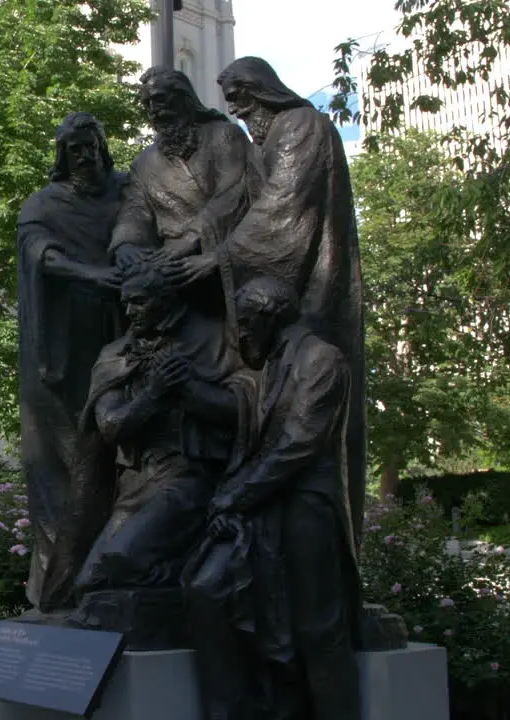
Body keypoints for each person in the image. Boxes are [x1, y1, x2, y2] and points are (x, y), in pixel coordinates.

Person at [164, 56, 367, 547]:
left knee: (304, 414)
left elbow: (283, 208)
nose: (234, 108)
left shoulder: (303, 125)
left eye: (238, 95)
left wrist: (218, 260)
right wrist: (188, 245)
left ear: (262, 90)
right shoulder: (262, 143)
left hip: (310, 293)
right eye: (228, 99)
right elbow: (236, 204)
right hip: (272, 297)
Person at [185, 277, 361, 720]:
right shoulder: (269, 369)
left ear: (269, 316)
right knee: (250, 611)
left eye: (246, 322)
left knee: (317, 629)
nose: (242, 333)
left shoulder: (322, 359)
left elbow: (297, 444)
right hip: (267, 505)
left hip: (306, 509)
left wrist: (236, 497)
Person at [74, 260, 256, 621]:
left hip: (188, 478)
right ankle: (187, 573)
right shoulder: (114, 355)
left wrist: (190, 389)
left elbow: (248, 411)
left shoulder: (216, 339)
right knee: (89, 582)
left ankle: (195, 581)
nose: (129, 311)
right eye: (125, 302)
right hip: (135, 486)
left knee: (122, 560)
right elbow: (110, 427)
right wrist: (154, 394)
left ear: (169, 299)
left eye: (139, 302)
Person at [17, 112, 127, 612]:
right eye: (74, 150)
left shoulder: (127, 194)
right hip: (62, 358)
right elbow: (43, 256)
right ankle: (60, 586)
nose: (84, 156)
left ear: (103, 147)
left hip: (124, 341)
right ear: (61, 158)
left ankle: (115, 576)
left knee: (125, 459)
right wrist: (92, 276)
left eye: (90, 146)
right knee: (64, 469)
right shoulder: (42, 205)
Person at [109, 67, 254, 274]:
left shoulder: (224, 136)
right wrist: (126, 244)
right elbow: (135, 210)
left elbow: (233, 193)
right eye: (147, 104)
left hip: (224, 247)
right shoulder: (143, 163)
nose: (153, 110)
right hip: (170, 258)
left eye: (159, 99)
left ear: (183, 98)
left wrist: (192, 238)